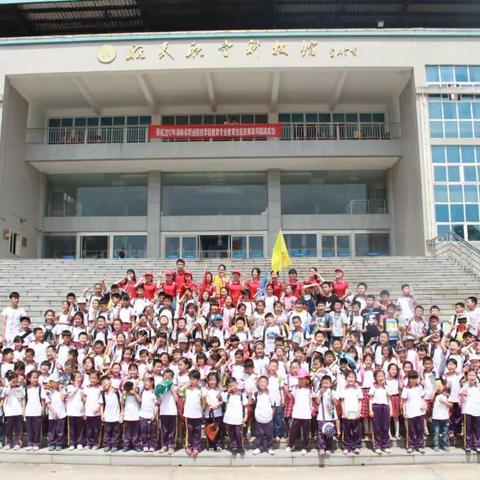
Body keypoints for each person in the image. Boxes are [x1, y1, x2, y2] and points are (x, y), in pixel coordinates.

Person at [286, 368, 311, 455]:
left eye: (302, 379)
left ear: (307, 380)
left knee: (306, 432)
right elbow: (290, 396)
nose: (300, 380)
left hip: (307, 414)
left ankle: (305, 447)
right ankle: (290, 445)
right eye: (299, 379)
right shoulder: (295, 389)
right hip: (296, 413)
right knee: (293, 430)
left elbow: (313, 402)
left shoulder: (310, 390)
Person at [401, 370, 426, 454]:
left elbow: (422, 398)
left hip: (420, 412)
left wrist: (423, 405)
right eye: (412, 378)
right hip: (410, 412)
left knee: (420, 429)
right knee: (411, 430)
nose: (414, 380)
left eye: (415, 378)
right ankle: (410, 446)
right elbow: (403, 401)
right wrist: (404, 411)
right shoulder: (406, 388)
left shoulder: (419, 387)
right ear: (409, 379)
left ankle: (420, 446)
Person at [183, 369, 206, 456]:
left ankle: (196, 448)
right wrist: (185, 385)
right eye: (191, 379)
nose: (192, 381)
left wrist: (202, 409)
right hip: (188, 414)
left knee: (197, 431)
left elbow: (204, 401)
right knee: (189, 431)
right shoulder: (186, 389)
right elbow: (179, 392)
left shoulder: (201, 390)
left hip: (197, 415)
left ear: (198, 380)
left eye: (194, 379)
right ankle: (189, 447)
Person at [222, 378, 248, 455]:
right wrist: (222, 390)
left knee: (238, 433)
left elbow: (245, 406)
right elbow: (218, 397)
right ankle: (234, 447)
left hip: (238, 419)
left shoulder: (241, 395)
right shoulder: (227, 395)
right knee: (231, 433)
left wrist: (245, 416)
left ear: (237, 384)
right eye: (230, 386)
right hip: (229, 419)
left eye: (234, 385)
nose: (232, 387)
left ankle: (240, 447)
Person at [339, 370, 362, 455]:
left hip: (355, 412)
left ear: (355, 379)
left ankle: (356, 446)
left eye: (352, 377)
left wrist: (358, 412)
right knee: (346, 431)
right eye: (349, 377)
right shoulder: (343, 389)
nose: (350, 379)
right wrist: (344, 412)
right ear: (346, 379)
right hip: (346, 413)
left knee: (356, 431)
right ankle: (346, 447)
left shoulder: (358, 388)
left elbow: (360, 401)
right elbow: (342, 401)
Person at [369, 369, 391, 454]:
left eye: (382, 376)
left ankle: (385, 445)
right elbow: (370, 399)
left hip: (385, 407)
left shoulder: (387, 387)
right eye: (378, 376)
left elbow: (389, 400)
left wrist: (390, 410)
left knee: (385, 427)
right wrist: (371, 410)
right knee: (377, 427)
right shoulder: (373, 387)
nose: (380, 377)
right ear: (375, 378)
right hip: (376, 407)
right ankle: (377, 445)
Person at [252, 376, 275, 455]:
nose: (262, 383)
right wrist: (249, 394)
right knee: (259, 434)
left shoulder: (270, 394)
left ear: (267, 383)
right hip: (259, 417)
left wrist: (272, 415)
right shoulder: (256, 394)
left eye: (264, 382)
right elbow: (250, 403)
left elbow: (273, 405)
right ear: (258, 383)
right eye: (261, 382)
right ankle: (259, 447)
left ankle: (270, 447)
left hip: (268, 417)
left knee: (269, 434)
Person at [460, 369, 480, 453]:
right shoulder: (464, 386)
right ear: (467, 377)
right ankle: (467, 445)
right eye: (470, 375)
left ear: (476, 377)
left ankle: (477, 445)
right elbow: (462, 399)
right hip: (467, 410)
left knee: (477, 429)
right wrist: (463, 395)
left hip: (477, 410)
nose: (472, 377)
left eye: (473, 375)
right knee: (467, 429)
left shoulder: (479, 386)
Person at [431, 378, 451, 452]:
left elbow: (451, 405)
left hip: (445, 417)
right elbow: (431, 399)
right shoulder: (435, 395)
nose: (438, 387)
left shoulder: (447, 395)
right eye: (436, 385)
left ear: (444, 386)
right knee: (436, 433)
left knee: (445, 433)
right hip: (436, 417)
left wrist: (445, 402)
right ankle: (436, 445)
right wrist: (434, 390)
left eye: (440, 385)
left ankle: (445, 445)